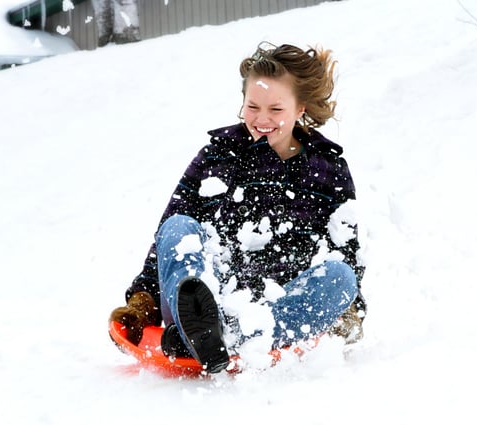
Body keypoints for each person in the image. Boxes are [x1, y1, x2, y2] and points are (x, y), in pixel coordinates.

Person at [109, 42, 367, 374]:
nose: (261, 119)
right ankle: (201, 328)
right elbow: (169, 238)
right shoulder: (217, 157)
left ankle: (221, 335)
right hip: (206, 295)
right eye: (252, 106)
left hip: (278, 309)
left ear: (300, 107)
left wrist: (347, 311)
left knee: (341, 276)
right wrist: (142, 303)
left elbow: (345, 250)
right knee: (179, 226)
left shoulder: (328, 169)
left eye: (276, 109)